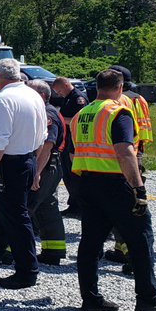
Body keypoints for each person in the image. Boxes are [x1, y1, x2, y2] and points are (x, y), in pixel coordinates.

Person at [71, 69, 156, 311]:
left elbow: (76, 152)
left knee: (90, 243)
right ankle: (148, 297)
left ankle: (90, 299)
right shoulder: (118, 112)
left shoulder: (81, 114)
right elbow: (125, 151)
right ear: (120, 88)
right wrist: (138, 188)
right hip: (116, 184)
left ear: (97, 88)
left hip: (87, 183)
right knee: (140, 238)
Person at [0, 58, 47, 289]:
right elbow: (42, 136)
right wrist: (35, 168)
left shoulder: (3, 100)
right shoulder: (34, 95)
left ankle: (27, 270)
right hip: (28, 159)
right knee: (9, 213)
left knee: (16, 216)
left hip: (11, 164)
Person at [106, 65, 155, 265]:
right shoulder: (139, 98)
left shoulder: (118, 101)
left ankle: (127, 252)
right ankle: (122, 250)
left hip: (122, 153)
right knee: (131, 205)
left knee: (124, 205)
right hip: (136, 150)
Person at [27, 80, 68, 265]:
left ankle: (7, 250)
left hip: (45, 166)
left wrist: (36, 172)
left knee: (25, 207)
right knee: (47, 207)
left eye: (30, 91)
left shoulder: (47, 113)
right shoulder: (45, 110)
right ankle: (53, 250)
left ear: (42, 95)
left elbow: (48, 146)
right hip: (50, 166)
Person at [50, 77, 88, 218]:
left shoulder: (78, 98)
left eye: (59, 91)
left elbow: (79, 120)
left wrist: (59, 119)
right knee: (67, 175)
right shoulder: (67, 98)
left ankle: (80, 206)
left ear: (66, 85)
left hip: (75, 141)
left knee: (75, 176)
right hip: (67, 141)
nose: (59, 94)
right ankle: (73, 205)